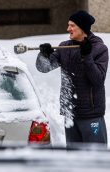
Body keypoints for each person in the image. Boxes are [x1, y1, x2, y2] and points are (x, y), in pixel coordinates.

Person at [36, 10, 109, 147]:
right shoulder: (65, 47)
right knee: (74, 158)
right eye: (68, 25)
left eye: (72, 25)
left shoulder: (100, 49)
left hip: (91, 114)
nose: (68, 29)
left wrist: (86, 56)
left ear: (83, 28)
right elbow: (44, 68)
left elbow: (98, 80)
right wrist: (43, 55)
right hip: (70, 113)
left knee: (96, 158)